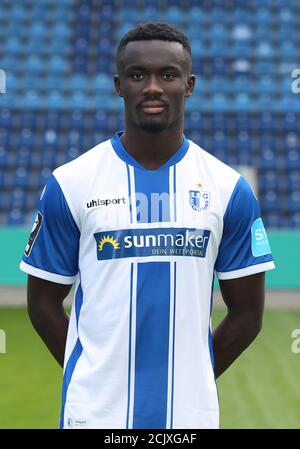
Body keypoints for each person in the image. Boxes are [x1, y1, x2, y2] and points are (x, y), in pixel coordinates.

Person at [20, 22, 275, 429]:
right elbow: (41, 304)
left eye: (168, 75)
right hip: (93, 417)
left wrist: (194, 379)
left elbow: (248, 315)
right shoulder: (71, 182)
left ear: (189, 85)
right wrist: (90, 373)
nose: (153, 87)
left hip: (188, 420)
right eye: (138, 75)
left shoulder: (228, 189)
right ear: (119, 85)